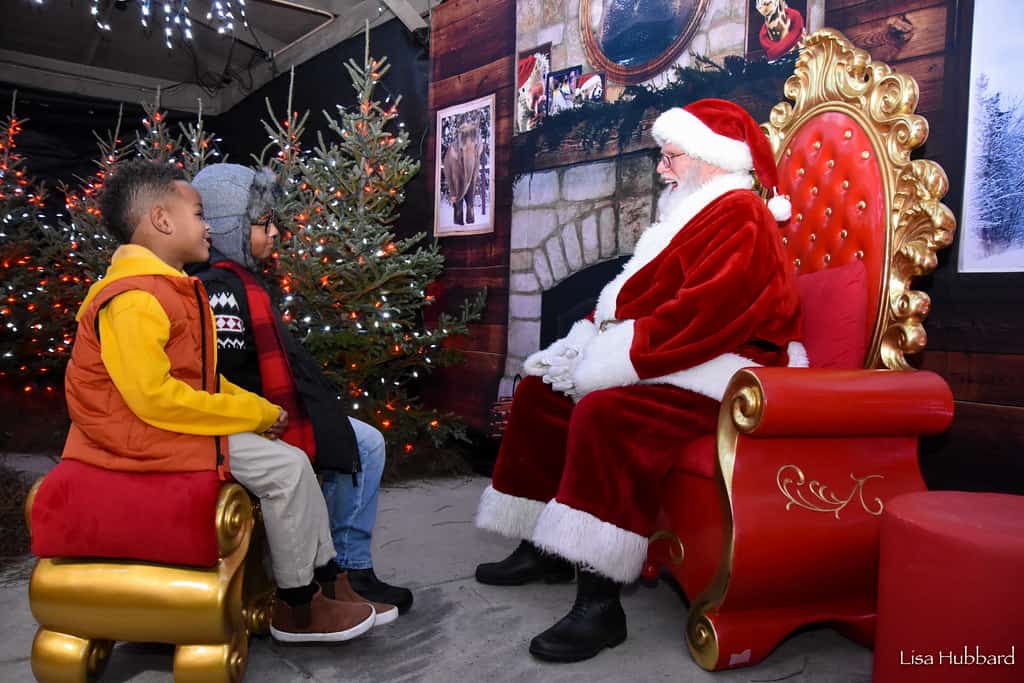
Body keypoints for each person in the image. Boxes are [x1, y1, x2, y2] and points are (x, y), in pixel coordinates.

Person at [473, 99, 807, 662]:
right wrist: (586, 339)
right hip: (673, 355)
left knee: (607, 414)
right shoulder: (690, 213)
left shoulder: (742, 216)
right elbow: (637, 298)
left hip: (722, 373)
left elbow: (707, 315)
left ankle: (600, 605)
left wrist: (614, 360)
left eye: (670, 155)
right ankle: (543, 548)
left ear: (708, 157)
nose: (661, 169)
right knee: (539, 392)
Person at [62, 158, 378, 643]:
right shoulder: (133, 298)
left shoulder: (173, 289)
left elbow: (205, 378)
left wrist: (261, 413)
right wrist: (254, 413)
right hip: (138, 438)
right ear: (162, 221)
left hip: (159, 427)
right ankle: (297, 608)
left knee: (290, 457)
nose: (208, 225)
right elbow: (154, 399)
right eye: (197, 213)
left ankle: (323, 577)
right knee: (286, 470)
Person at [189, 163, 413, 619]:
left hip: (274, 413)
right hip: (254, 422)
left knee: (363, 441)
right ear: (230, 227)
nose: (275, 233)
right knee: (361, 444)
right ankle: (338, 572)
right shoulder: (220, 290)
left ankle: (347, 568)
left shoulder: (247, 283)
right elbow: (227, 377)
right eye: (262, 223)